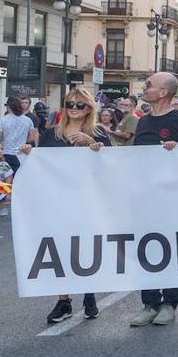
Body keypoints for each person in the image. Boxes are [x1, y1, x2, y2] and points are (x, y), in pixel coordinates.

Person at [23, 88, 110, 323]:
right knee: (59, 248)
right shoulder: (52, 135)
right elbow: (43, 166)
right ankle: (63, 301)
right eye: (70, 103)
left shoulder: (99, 132)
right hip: (58, 201)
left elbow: (113, 165)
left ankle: (89, 294)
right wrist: (29, 154)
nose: (74, 108)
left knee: (85, 248)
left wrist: (92, 143)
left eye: (80, 105)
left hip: (88, 200)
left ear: (89, 109)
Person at [128, 73, 178, 328]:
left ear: (163, 93)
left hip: (172, 200)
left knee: (170, 250)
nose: (144, 88)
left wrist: (176, 152)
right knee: (146, 250)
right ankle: (149, 304)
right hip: (145, 199)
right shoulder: (143, 122)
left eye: (148, 85)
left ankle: (169, 303)